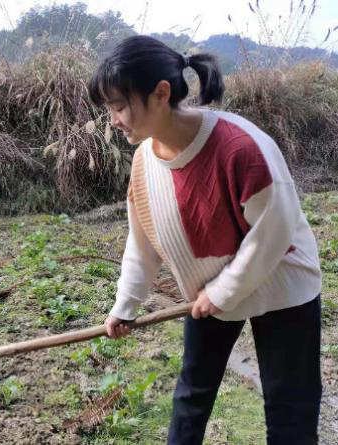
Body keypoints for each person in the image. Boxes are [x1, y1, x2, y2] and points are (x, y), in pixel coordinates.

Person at [88, 35, 322, 445]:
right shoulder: (144, 162)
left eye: (119, 106)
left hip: (281, 282)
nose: (113, 120)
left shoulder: (240, 147)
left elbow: (276, 230)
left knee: (290, 411)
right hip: (208, 289)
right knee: (191, 396)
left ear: (161, 94)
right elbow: (142, 242)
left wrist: (224, 291)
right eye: (109, 109)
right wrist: (125, 306)